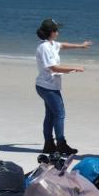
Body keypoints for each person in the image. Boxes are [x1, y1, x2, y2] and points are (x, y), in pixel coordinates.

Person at [34, 18, 90, 154]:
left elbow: (62, 45)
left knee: (50, 114)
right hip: (47, 87)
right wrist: (75, 68)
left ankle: (48, 144)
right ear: (50, 32)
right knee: (59, 114)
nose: (58, 32)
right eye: (56, 30)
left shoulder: (51, 44)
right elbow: (54, 68)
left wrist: (81, 46)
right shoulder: (44, 48)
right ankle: (61, 144)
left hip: (48, 86)